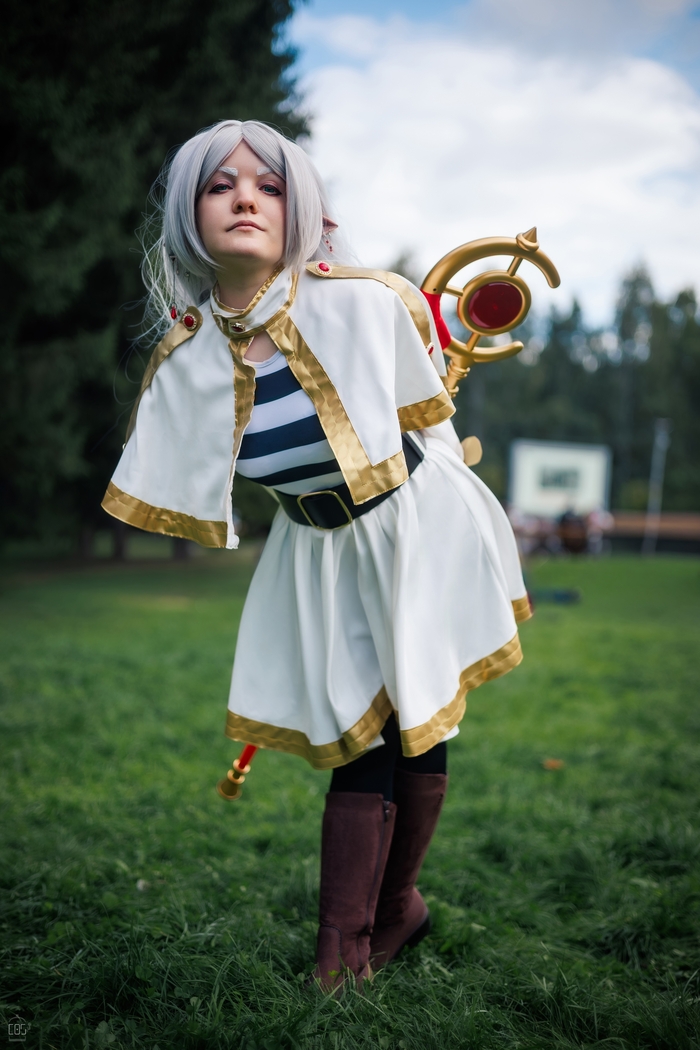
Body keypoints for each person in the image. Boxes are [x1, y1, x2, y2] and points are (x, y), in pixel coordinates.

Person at [103, 119, 531, 990]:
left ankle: (376, 924)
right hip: (316, 549)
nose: (246, 199)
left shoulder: (370, 303)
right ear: (189, 212)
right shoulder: (182, 360)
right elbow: (180, 475)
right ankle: (357, 934)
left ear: (299, 209)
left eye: (269, 185)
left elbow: (425, 428)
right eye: (220, 185)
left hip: (414, 525)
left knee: (416, 714)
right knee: (354, 731)